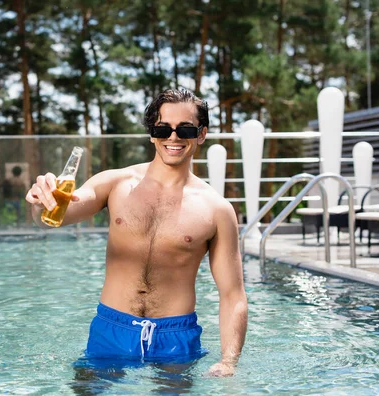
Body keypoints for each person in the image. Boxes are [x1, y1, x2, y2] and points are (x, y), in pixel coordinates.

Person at [25, 88, 247, 377]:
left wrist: (228, 361)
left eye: (186, 129)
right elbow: (51, 218)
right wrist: (42, 201)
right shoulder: (115, 183)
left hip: (176, 339)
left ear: (201, 134)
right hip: (111, 330)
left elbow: (233, 295)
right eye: (163, 128)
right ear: (152, 133)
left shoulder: (217, 209)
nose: (173, 137)